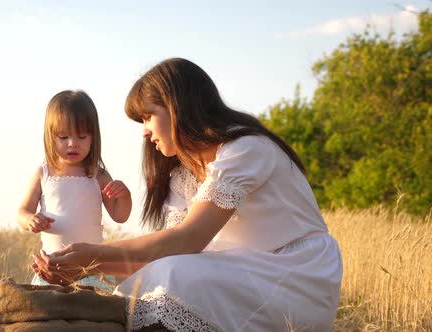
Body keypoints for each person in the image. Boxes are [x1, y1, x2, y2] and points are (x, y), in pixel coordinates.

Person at [32, 59, 343, 331]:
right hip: (243, 273)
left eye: (147, 117)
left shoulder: (246, 150)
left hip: (295, 276)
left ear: (176, 107)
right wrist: (82, 267)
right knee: (140, 286)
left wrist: (95, 256)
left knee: (171, 275)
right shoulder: (184, 174)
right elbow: (170, 250)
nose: (144, 131)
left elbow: (188, 239)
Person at [18, 90, 132, 293]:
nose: (73, 143)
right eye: (63, 137)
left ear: (93, 137)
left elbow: (120, 215)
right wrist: (29, 220)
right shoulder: (43, 174)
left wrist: (124, 196)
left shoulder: (98, 175)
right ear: (50, 136)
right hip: (52, 267)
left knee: (90, 316)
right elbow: (22, 211)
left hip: (91, 269)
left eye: (82, 136)